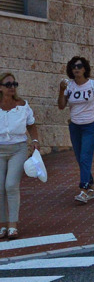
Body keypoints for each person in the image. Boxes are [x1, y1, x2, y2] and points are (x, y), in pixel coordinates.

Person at [57, 55, 94, 204]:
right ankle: (91, 186)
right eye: (73, 67)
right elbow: (61, 106)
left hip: (89, 125)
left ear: (85, 68)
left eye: (79, 66)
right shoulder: (69, 86)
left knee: (85, 157)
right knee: (80, 158)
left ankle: (84, 189)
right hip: (75, 126)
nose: (76, 69)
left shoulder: (93, 84)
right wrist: (61, 90)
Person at [0, 72, 39, 239]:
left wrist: (35, 140)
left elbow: (31, 124)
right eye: (8, 84)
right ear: (0, 88)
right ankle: (2, 225)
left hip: (18, 149)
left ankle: (12, 225)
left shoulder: (23, 105)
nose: (12, 87)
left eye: (14, 84)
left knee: (10, 185)